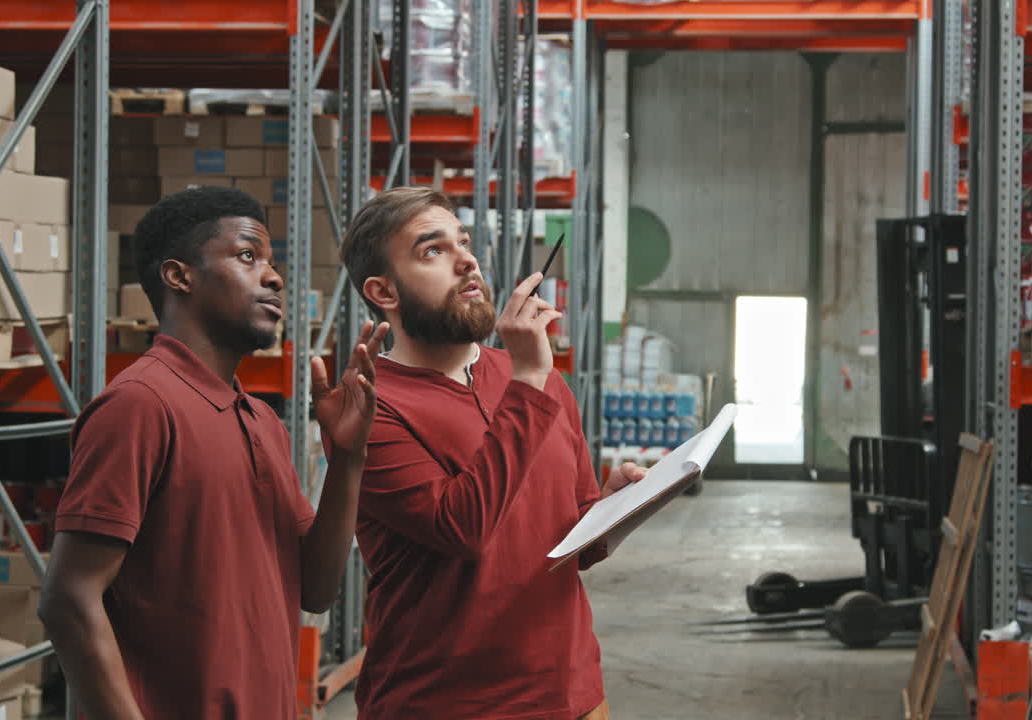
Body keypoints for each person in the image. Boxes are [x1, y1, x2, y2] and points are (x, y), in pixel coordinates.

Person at [39, 186, 389, 719]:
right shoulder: (140, 405)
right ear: (179, 276)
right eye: (248, 256)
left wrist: (347, 459)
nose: (274, 278)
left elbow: (316, 590)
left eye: (272, 263)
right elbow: (68, 600)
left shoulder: (262, 421)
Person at [338, 187, 645, 720]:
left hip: (572, 696)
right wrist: (527, 378)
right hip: (444, 704)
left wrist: (613, 511)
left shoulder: (541, 380)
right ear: (383, 290)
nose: (467, 261)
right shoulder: (369, 407)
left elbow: (570, 547)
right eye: (433, 251)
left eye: (464, 242)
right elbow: (463, 529)